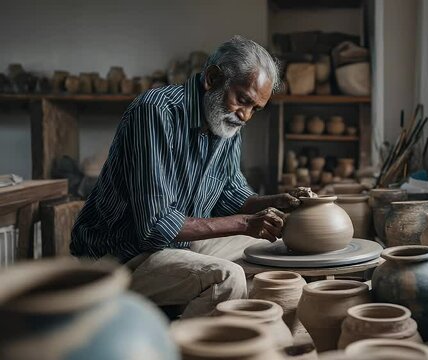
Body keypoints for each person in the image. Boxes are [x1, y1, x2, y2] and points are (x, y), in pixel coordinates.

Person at [71, 36, 300, 317]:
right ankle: (180, 348)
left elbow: (232, 195)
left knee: (275, 252)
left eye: (255, 109)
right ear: (212, 78)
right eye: (243, 100)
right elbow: (155, 227)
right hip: (119, 257)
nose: (246, 116)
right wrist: (246, 223)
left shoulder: (226, 124)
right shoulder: (156, 112)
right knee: (226, 279)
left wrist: (277, 202)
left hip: (177, 244)